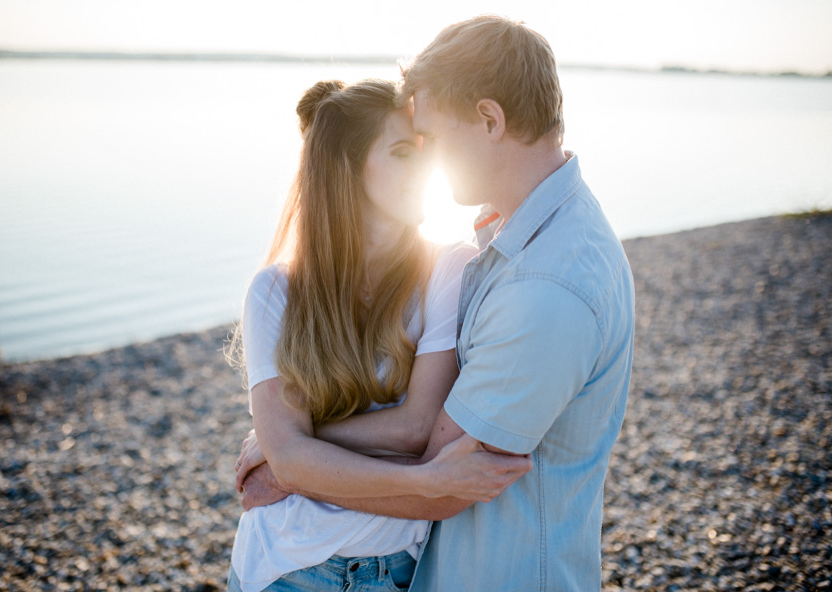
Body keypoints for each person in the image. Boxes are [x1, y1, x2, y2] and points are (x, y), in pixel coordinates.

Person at [239, 15, 636, 591]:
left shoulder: (545, 286)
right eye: (408, 147)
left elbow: (443, 476)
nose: (430, 161)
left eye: (433, 139)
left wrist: (291, 464)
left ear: (489, 119)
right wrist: (288, 447)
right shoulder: (517, 238)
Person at [226, 78, 532, 592]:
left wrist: (294, 446)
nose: (424, 169)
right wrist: (426, 481)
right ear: (345, 171)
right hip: (282, 569)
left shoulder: (447, 268)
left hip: (397, 573)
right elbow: (304, 458)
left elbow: (416, 428)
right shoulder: (274, 292)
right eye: (400, 153)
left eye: (422, 152)